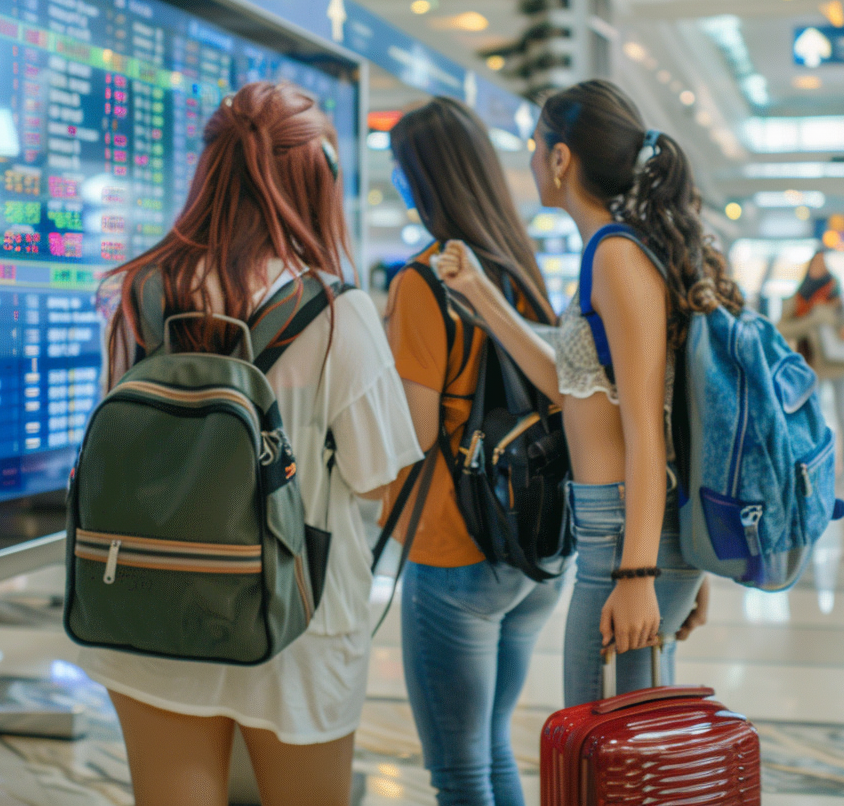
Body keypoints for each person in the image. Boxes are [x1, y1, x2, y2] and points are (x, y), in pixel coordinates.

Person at [78, 82, 422, 806]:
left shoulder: (137, 291)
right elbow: (374, 479)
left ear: (207, 170)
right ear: (316, 176)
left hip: (146, 599)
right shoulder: (335, 311)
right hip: (298, 613)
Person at [432, 80, 716, 709]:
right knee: (610, 752)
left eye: (536, 145)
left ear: (561, 160)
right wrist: (481, 294)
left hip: (625, 538)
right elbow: (573, 391)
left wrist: (643, 572)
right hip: (619, 532)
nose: (532, 159)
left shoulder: (618, 256)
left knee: (603, 756)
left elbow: (649, 428)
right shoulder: (607, 253)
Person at [380, 98, 564, 806]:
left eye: (400, 170)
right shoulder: (518, 270)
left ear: (421, 180)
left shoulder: (426, 281)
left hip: (456, 549)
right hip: (535, 546)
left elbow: (414, 432)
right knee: (491, 746)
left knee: (459, 772)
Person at [777, 252, 844, 487]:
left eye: (822, 263)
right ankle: (814, 470)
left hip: (843, 364)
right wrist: (813, 320)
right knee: (812, 421)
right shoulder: (799, 298)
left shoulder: (839, 295)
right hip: (814, 366)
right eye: (815, 263)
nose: (819, 268)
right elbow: (781, 329)